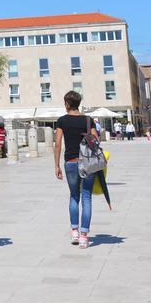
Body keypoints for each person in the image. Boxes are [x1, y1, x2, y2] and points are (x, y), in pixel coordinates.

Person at [54, 90, 99, 248]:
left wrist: (57, 165)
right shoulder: (88, 120)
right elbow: (96, 140)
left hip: (71, 162)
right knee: (86, 197)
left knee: (74, 196)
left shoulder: (62, 121)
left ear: (67, 103)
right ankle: (84, 236)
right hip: (87, 163)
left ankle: (74, 231)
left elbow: (58, 143)